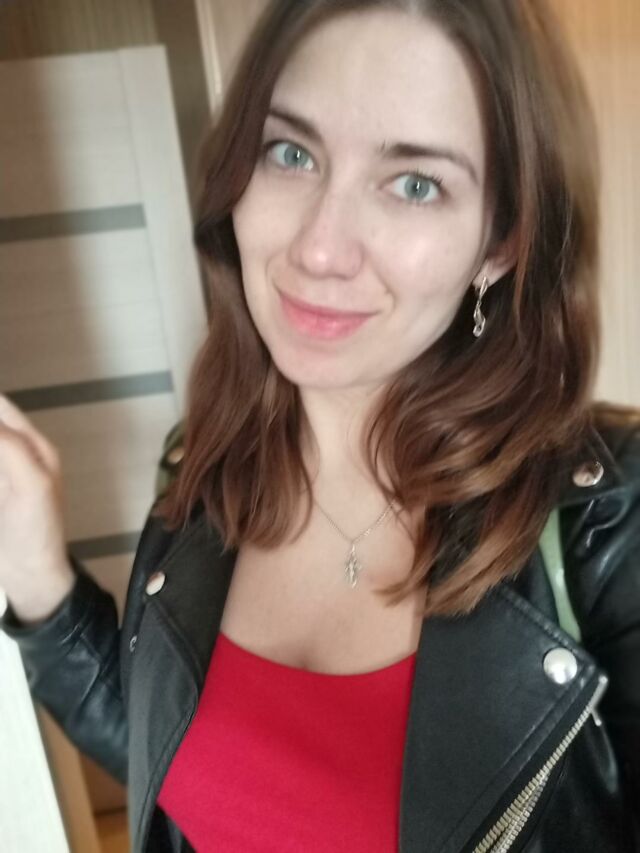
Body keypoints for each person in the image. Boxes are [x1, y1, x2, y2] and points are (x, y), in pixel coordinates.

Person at [0, 0, 638, 850]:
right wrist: (38, 576)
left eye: (415, 183)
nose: (320, 248)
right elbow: (179, 764)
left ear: (502, 241)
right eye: (290, 153)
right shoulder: (203, 471)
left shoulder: (611, 519)